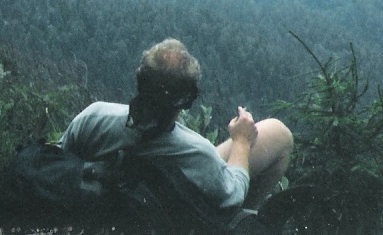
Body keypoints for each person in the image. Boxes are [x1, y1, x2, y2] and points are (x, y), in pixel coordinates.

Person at [58, 38, 293, 224]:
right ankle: (243, 223)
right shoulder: (196, 154)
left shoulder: (94, 118)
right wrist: (241, 141)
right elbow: (233, 195)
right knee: (279, 135)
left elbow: (60, 160)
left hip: (107, 210)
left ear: (140, 81)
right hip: (175, 212)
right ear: (187, 100)